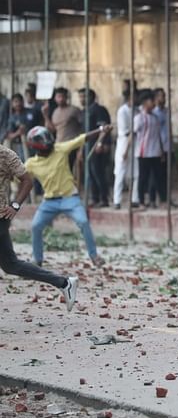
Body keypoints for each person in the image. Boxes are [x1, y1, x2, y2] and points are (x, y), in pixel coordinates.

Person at [0, 143, 78, 311]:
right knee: (11, 265)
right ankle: (64, 283)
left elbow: (27, 181)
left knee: (11, 264)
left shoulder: (6, 155)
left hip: (1, 216)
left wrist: (14, 206)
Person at [25, 125, 111, 268]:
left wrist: (101, 130)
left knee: (83, 222)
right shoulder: (30, 164)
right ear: (36, 145)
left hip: (70, 198)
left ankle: (94, 256)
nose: (49, 142)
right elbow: (20, 179)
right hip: (49, 202)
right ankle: (37, 259)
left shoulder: (60, 149)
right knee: (35, 226)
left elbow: (81, 139)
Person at [78, 88, 112, 207]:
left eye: (84, 97)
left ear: (91, 97)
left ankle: (104, 199)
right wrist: (81, 149)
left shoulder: (99, 110)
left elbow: (105, 128)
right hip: (87, 145)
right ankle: (95, 198)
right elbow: (82, 133)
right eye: (80, 97)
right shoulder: (84, 112)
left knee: (98, 172)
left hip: (96, 144)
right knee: (90, 173)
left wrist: (101, 143)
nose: (82, 99)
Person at [133, 90, 166, 208]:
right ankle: (141, 201)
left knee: (158, 177)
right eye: (152, 101)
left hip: (155, 152)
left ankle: (158, 200)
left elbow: (158, 136)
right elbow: (133, 134)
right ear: (146, 102)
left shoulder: (155, 118)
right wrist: (127, 150)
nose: (154, 104)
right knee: (143, 178)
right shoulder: (139, 118)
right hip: (144, 153)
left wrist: (161, 151)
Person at [113, 85, 139, 209]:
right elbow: (128, 132)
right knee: (120, 172)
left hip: (135, 142)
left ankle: (134, 198)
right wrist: (125, 150)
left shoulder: (137, 110)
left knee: (135, 172)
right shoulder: (122, 111)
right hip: (124, 142)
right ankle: (117, 200)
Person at [43, 88, 82, 170]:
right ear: (55, 98)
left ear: (66, 98)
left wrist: (81, 148)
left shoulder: (74, 110)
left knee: (69, 169)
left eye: (63, 96)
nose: (61, 99)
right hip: (59, 145)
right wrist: (46, 116)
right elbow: (53, 129)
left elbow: (83, 127)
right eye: (59, 96)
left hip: (72, 145)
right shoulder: (55, 112)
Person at [153, 88, 170, 205]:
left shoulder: (167, 111)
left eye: (164, 96)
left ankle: (166, 198)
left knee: (166, 174)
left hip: (168, 145)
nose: (163, 99)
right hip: (159, 147)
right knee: (157, 175)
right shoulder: (154, 113)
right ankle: (158, 198)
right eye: (160, 96)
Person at [6, 94, 32, 161]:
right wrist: (18, 132)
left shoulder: (31, 112)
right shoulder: (12, 118)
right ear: (12, 103)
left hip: (34, 144)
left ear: (23, 102)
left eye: (20, 101)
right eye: (16, 101)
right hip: (21, 146)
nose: (18, 104)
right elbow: (9, 136)